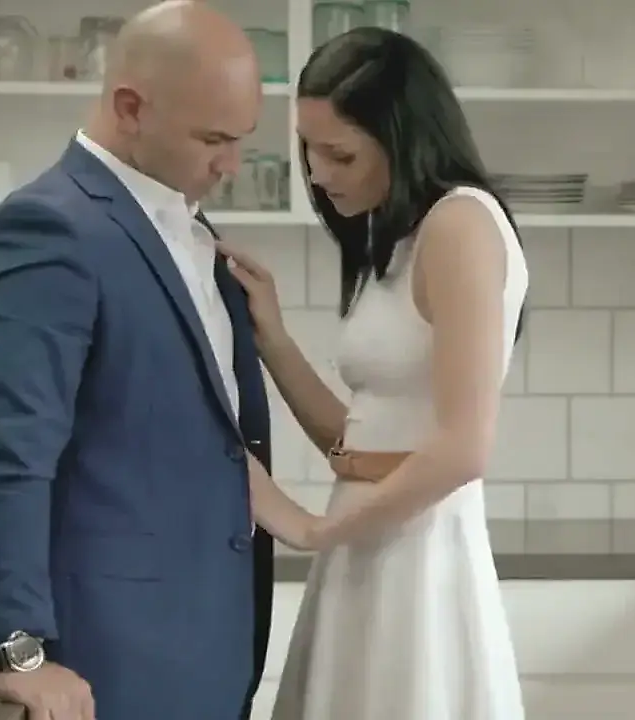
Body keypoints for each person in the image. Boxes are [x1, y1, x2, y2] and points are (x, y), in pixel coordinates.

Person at [0, 2, 323, 719]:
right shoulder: (49, 226)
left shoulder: (189, 225)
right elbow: (6, 447)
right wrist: (16, 647)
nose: (231, 165)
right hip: (107, 660)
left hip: (209, 647)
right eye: (214, 139)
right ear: (130, 108)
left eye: (242, 140)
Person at [218, 26, 529, 719]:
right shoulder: (399, 238)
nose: (319, 174)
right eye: (308, 148)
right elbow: (361, 444)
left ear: (403, 139)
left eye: (341, 154)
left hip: (418, 560)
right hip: (368, 549)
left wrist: (310, 529)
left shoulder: (460, 225)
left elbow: (463, 449)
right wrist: (274, 340)